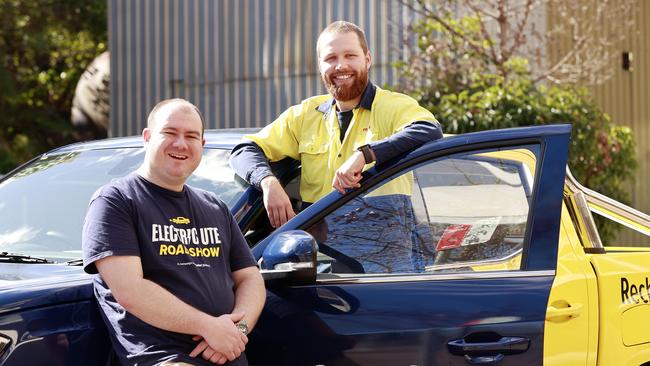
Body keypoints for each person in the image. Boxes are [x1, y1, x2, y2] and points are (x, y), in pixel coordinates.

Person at [82, 98, 265, 365]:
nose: (181, 144)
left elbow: (250, 278)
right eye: (170, 132)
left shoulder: (215, 208)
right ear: (147, 137)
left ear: (201, 145)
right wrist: (208, 327)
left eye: (191, 136)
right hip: (164, 358)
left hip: (226, 355)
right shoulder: (116, 201)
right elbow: (130, 290)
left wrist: (236, 330)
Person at [229, 20, 443, 229]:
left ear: (367, 59)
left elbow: (429, 129)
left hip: (384, 252)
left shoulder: (392, 106)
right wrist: (268, 183)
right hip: (320, 253)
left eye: (350, 55)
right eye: (331, 58)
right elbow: (243, 150)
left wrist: (365, 155)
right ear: (320, 66)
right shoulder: (304, 115)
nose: (341, 66)